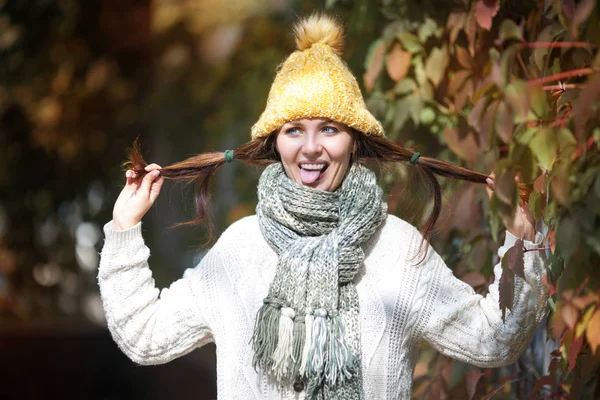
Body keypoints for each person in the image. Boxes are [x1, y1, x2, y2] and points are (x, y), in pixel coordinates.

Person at [99, 13, 548, 400]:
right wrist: (124, 227)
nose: (311, 149)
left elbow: (494, 340)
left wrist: (522, 242)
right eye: (294, 129)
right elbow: (145, 337)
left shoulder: (397, 248)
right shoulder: (240, 251)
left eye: (329, 129)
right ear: (275, 142)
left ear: (354, 141)